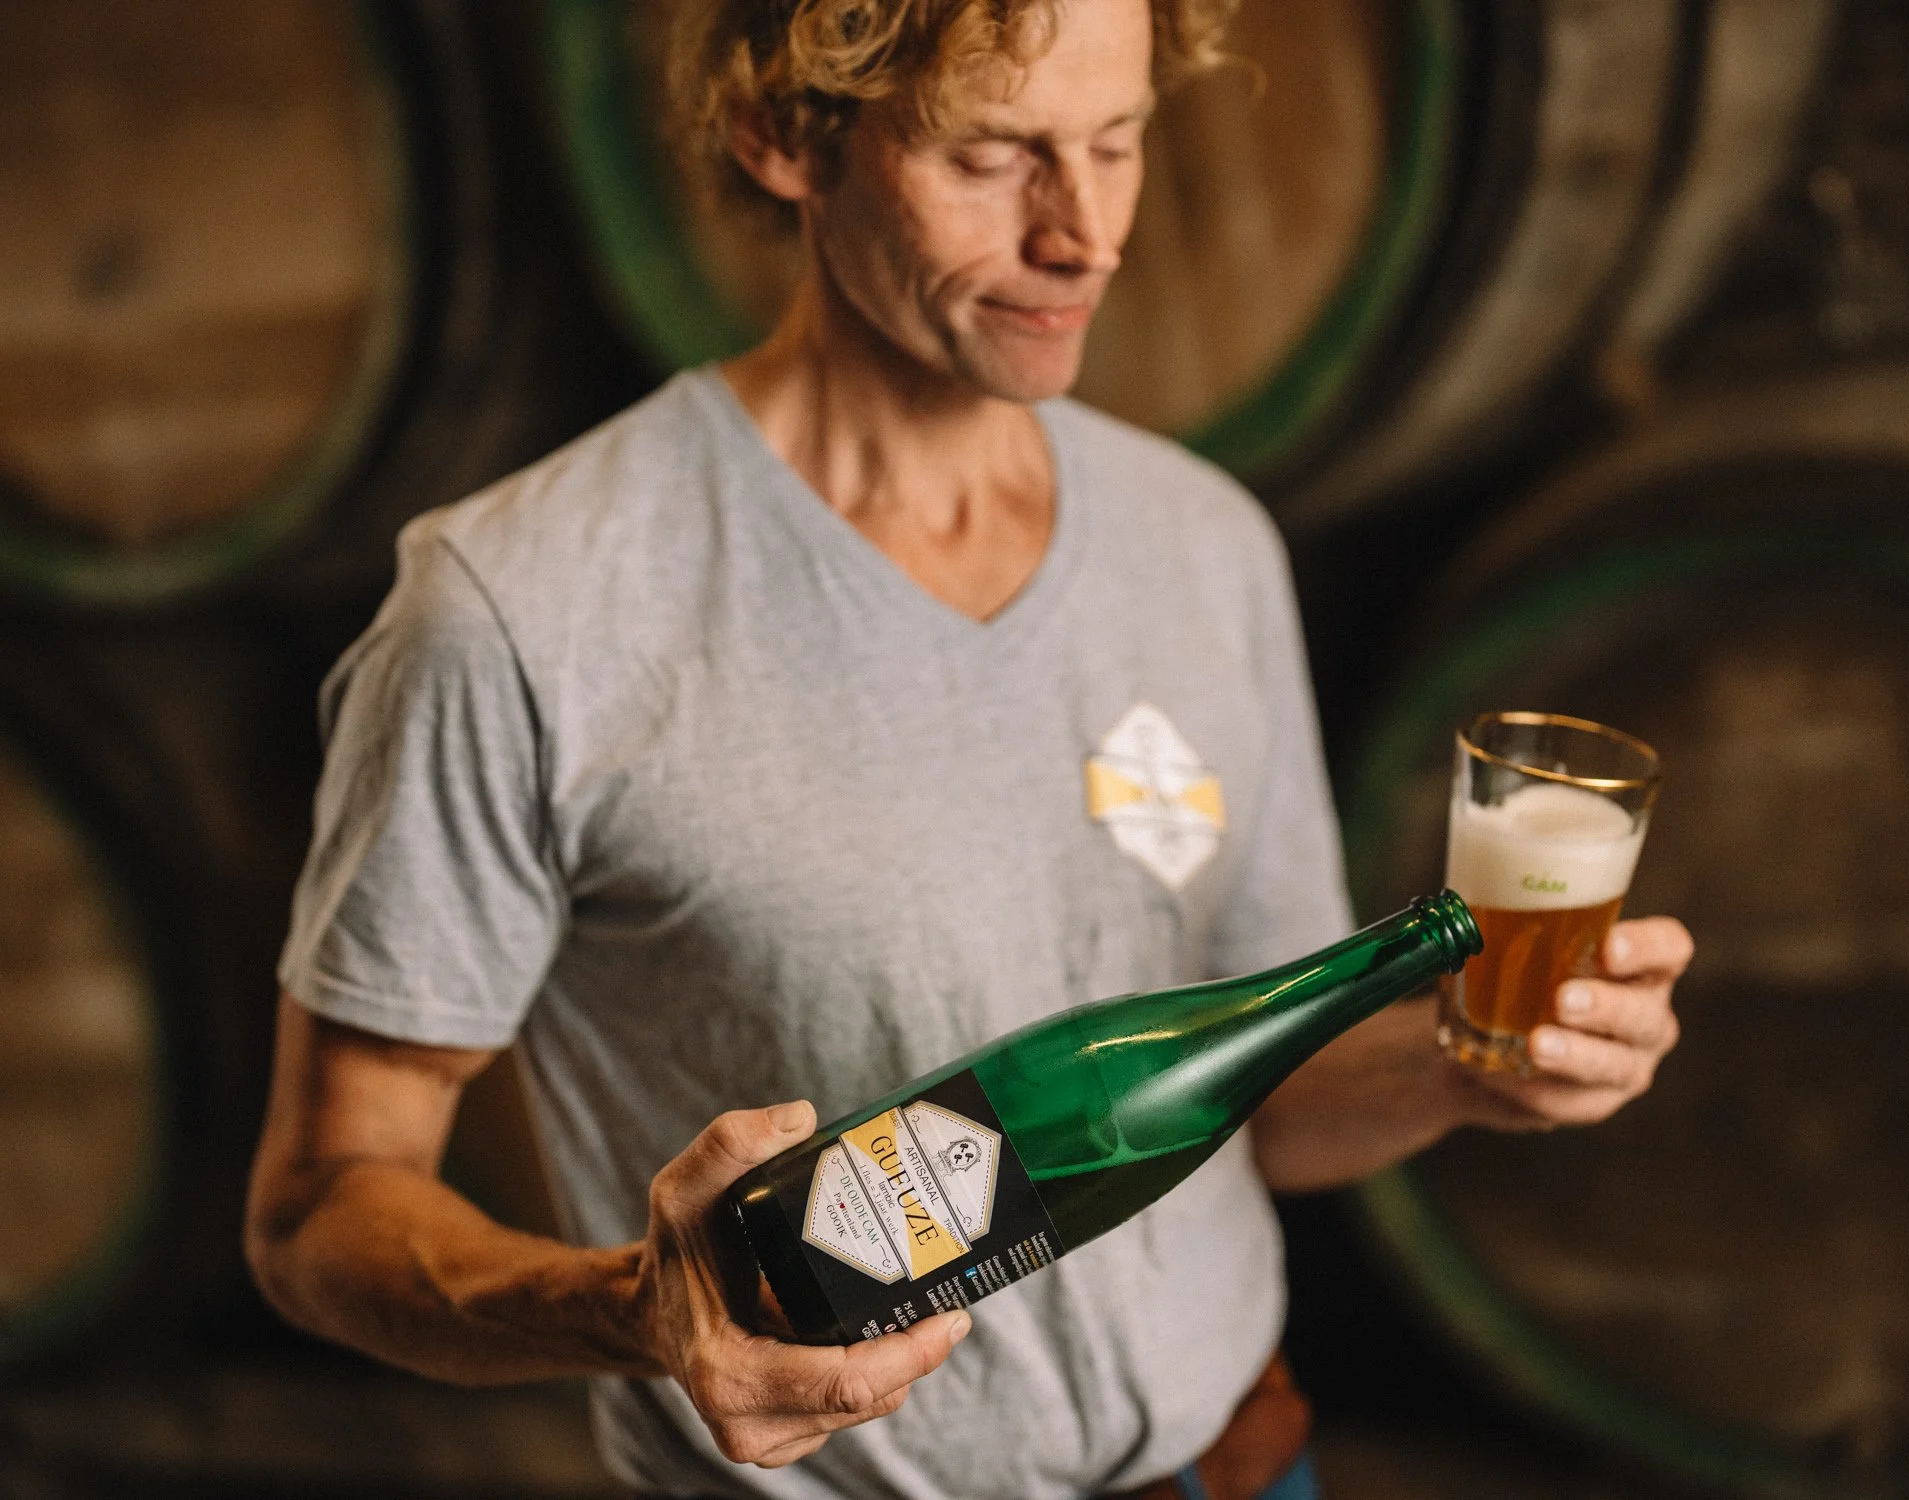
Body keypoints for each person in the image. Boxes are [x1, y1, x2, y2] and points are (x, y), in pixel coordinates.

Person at [244, 1, 1692, 1496]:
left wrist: (1468, 1065)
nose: (1087, 237)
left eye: (1118, 143)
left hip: (1240, 1463)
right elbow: (319, 1211)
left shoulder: (1204, 544)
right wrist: (636, 1310)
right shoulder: (518, 606)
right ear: (784, 135)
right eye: (992, 156)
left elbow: (1272, 1110)